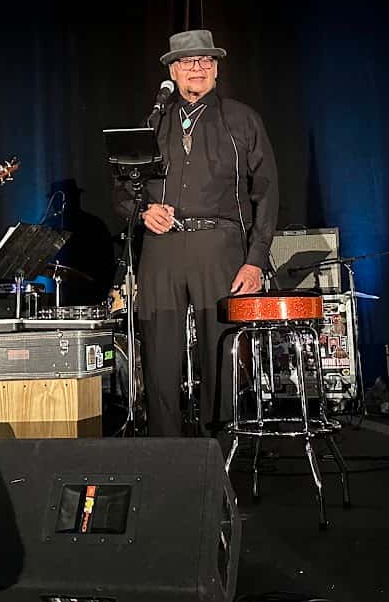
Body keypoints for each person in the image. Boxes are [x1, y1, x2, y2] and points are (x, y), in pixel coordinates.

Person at [116, 29, 279, 437]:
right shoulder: (154, 122)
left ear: (217, 70)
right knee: (160, 354)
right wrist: (143, 212)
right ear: (172, 70)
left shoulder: (242, 119)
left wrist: (255, 259)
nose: (197, 68)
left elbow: (267, 193)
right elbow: (121, 190)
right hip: (162, 250)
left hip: (219, 247)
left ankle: (218, 453)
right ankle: (166, 454)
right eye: (188, 62)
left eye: (205, 61)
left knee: (219, 351)